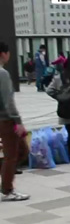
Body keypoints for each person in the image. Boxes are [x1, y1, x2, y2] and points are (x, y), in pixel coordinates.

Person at [0, 42, 30, 201]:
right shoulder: (2, 73)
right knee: (13, 155)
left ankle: (6, 177)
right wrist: (18, 122)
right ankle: (7, 189)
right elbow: (8, 101)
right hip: (6, 120)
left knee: (21, 151)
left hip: (4, 119)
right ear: (4, 54)